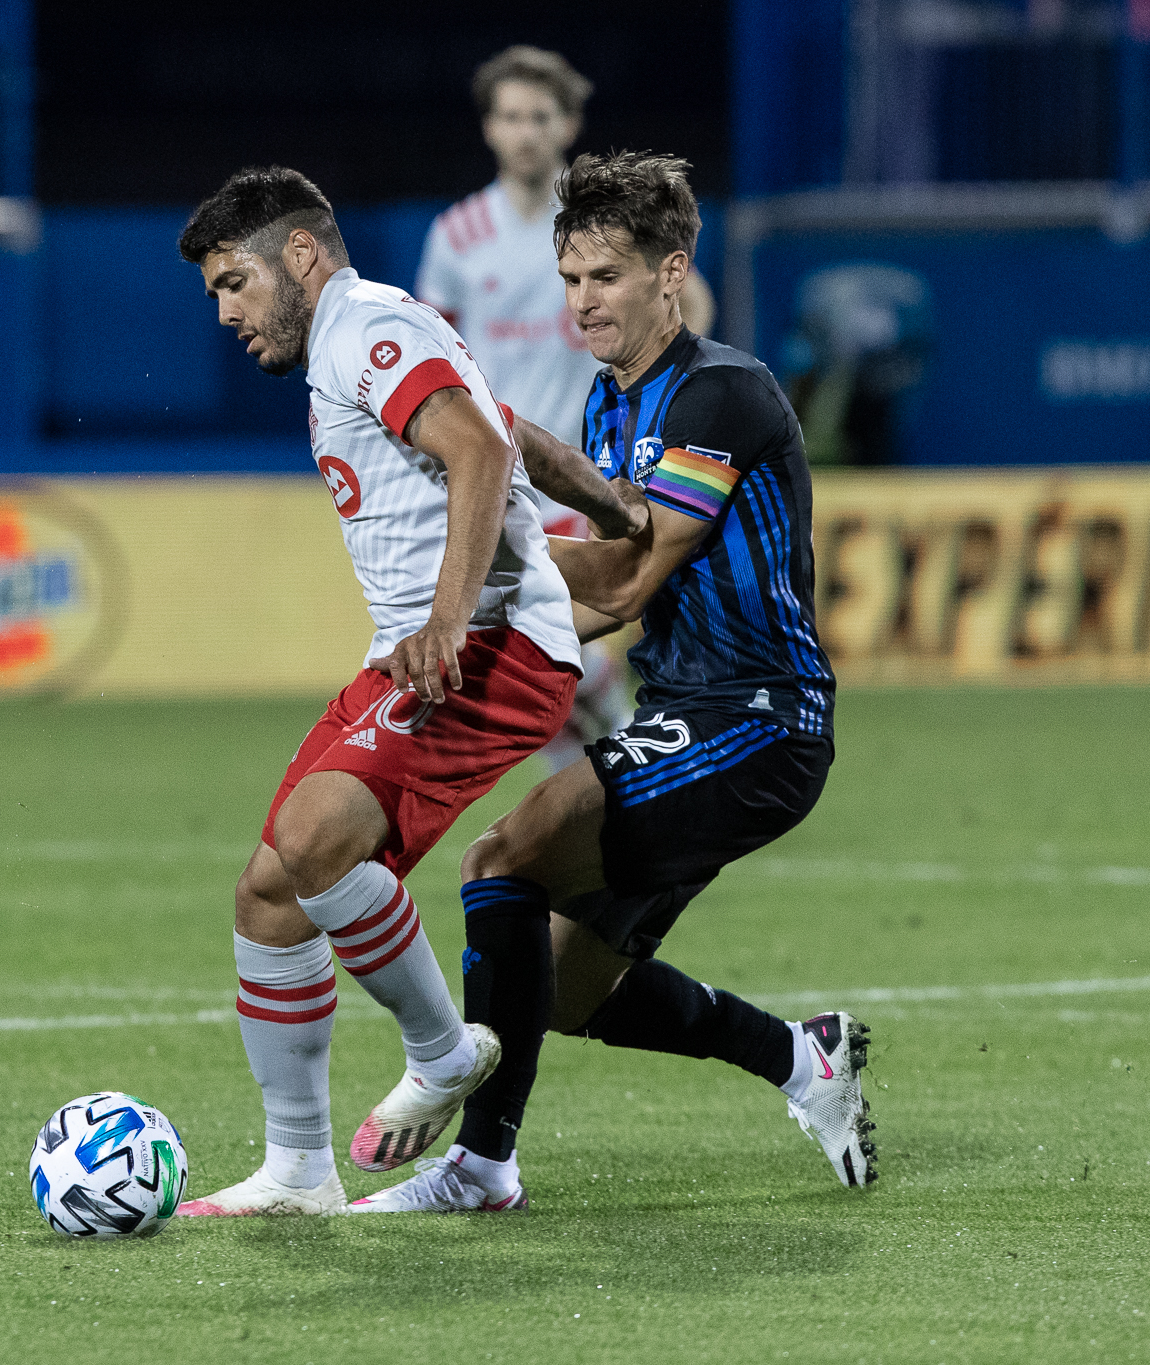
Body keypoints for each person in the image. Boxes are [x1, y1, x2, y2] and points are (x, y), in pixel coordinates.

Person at [346, 152, 872, 1215]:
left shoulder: (720, 392)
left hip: (759, 716)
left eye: (606, 278)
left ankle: (482, 1170)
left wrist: (470, 591)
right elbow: (582, 588)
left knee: (504, 857)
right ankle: (800, 1061)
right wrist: (463, 615)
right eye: (571, 277)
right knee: (564, 986)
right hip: (677, 712)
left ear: (670, 274)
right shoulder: (604, 407)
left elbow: (631, 575)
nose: (581, 302)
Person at [169, 166, 635, 1217]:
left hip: (485, 642)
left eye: (232, 282)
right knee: (270, 891)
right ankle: (296, 1170)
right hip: (423, 646)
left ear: (300, 255)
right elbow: (506, 428)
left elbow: (472, 451)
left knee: (316, 833)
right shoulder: (377, 337)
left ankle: (441, 1050)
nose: (225, 311)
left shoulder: (359, 326)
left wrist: (442, 619)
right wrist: (611, 506)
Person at [416, 46, 711, 775]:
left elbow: (689, 300)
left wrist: (693, 390)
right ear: (489, 128)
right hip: (497, 470)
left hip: (588, 468)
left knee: (547, 641)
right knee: (536, 650)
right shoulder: (456, 238)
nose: (524, 132)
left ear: (568, 124)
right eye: (511, 117)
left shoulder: (603, 228)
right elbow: (430, 351)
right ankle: (611, 767)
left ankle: (619, 754)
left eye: (538, 117)